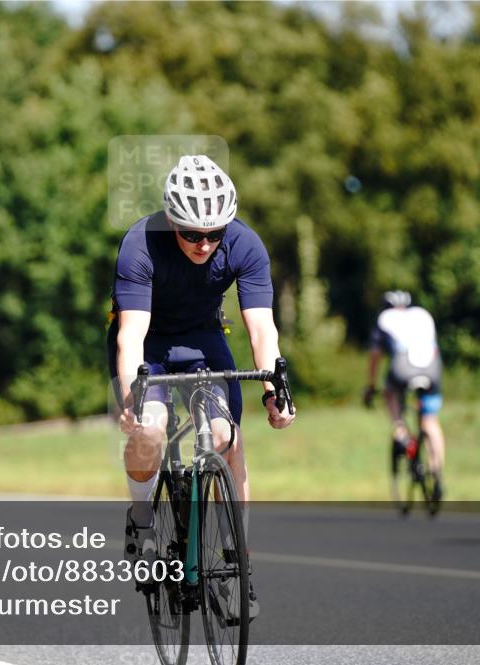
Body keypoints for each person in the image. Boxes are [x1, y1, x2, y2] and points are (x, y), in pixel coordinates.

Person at [108, 154, 296, 620]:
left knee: (228, 438)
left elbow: (261, 329)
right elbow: (130, 334)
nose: (204, 243)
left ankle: (238, 564)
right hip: (148, 344)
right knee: (151, 430)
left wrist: (275, 387)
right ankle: (143, 518)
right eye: (192, 233)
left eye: (214, 234)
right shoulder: (140, 244)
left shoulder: (245, 244)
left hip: (204, 340)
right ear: (172, 220)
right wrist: (132, 395)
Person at [364, 290, 446, 500]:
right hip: (432, 368)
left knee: (390, 394)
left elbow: (375, 356)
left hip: (403, 367)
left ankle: (400, 431)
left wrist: (371, 386)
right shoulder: (423, 314)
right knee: (430, 421)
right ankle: (437, 473)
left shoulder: (384, 319)